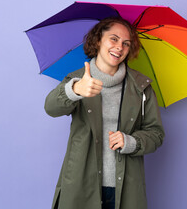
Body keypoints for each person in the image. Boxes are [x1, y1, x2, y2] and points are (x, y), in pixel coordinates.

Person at [44, 17, 165, 209]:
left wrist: (131, 141)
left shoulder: (142, 87)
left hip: (125, 187)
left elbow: (156, 134)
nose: (120, 47)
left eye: (126, 43)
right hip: (81, 185)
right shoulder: (78, 79)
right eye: (114, 39)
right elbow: (50, 108)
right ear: (98, 40)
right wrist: (75, 90)